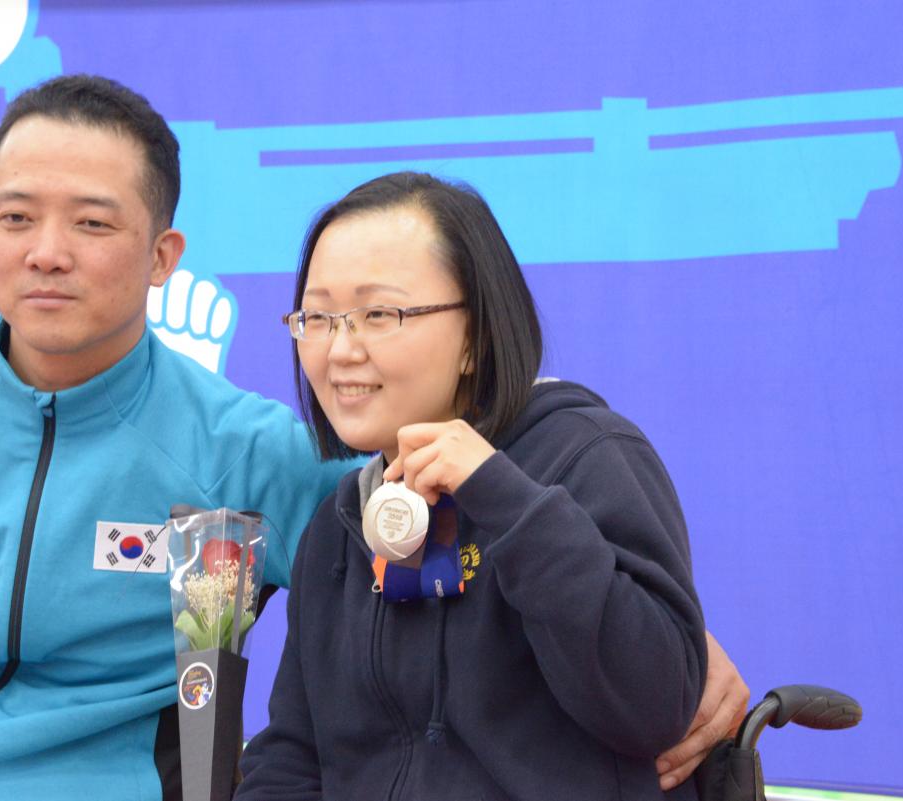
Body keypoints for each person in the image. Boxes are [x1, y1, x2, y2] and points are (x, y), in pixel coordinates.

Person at [0, 76, 744, 800]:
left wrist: (686, 652)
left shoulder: (256, 458)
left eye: (91, 223)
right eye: (15, 216)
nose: (45, 252)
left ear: (162, 257)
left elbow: (479, 507)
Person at [236, 172, 714, 800]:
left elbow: (655, 704)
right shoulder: (340, 519)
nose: (339, 350)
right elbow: (293, 758)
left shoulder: (585, 457)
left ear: (476, 335)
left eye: (379, 314)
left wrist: (502, 498)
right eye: (319, 317)